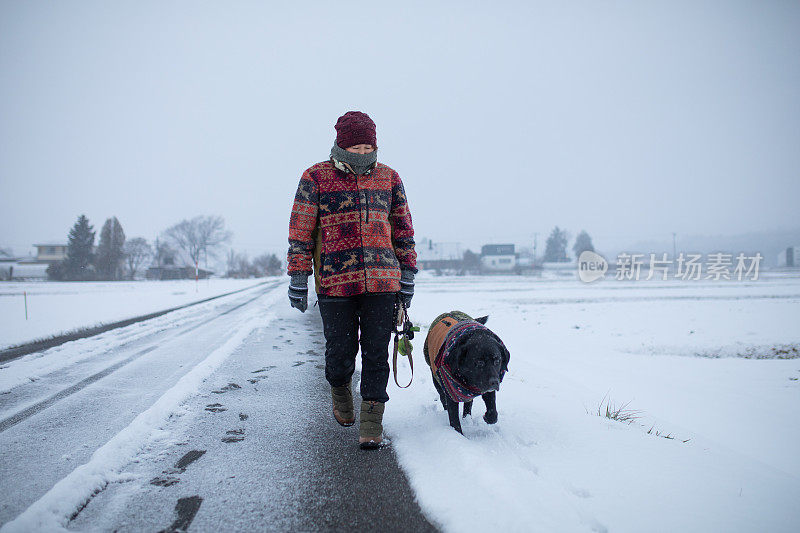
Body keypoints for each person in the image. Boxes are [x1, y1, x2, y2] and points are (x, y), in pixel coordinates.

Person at [287, 111, 417, 449]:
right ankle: (339, 385)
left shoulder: (390, 178)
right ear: (342, 145)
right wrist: (299, 277)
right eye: (355, 146)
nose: (362, 152)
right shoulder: (315, 177)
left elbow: (403, 230)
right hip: (335, 281)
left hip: (382, 281)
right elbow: (300, 232)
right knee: (341, 351)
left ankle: (372, 423)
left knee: (376, 353)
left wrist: (408, 275)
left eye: (367, 146)